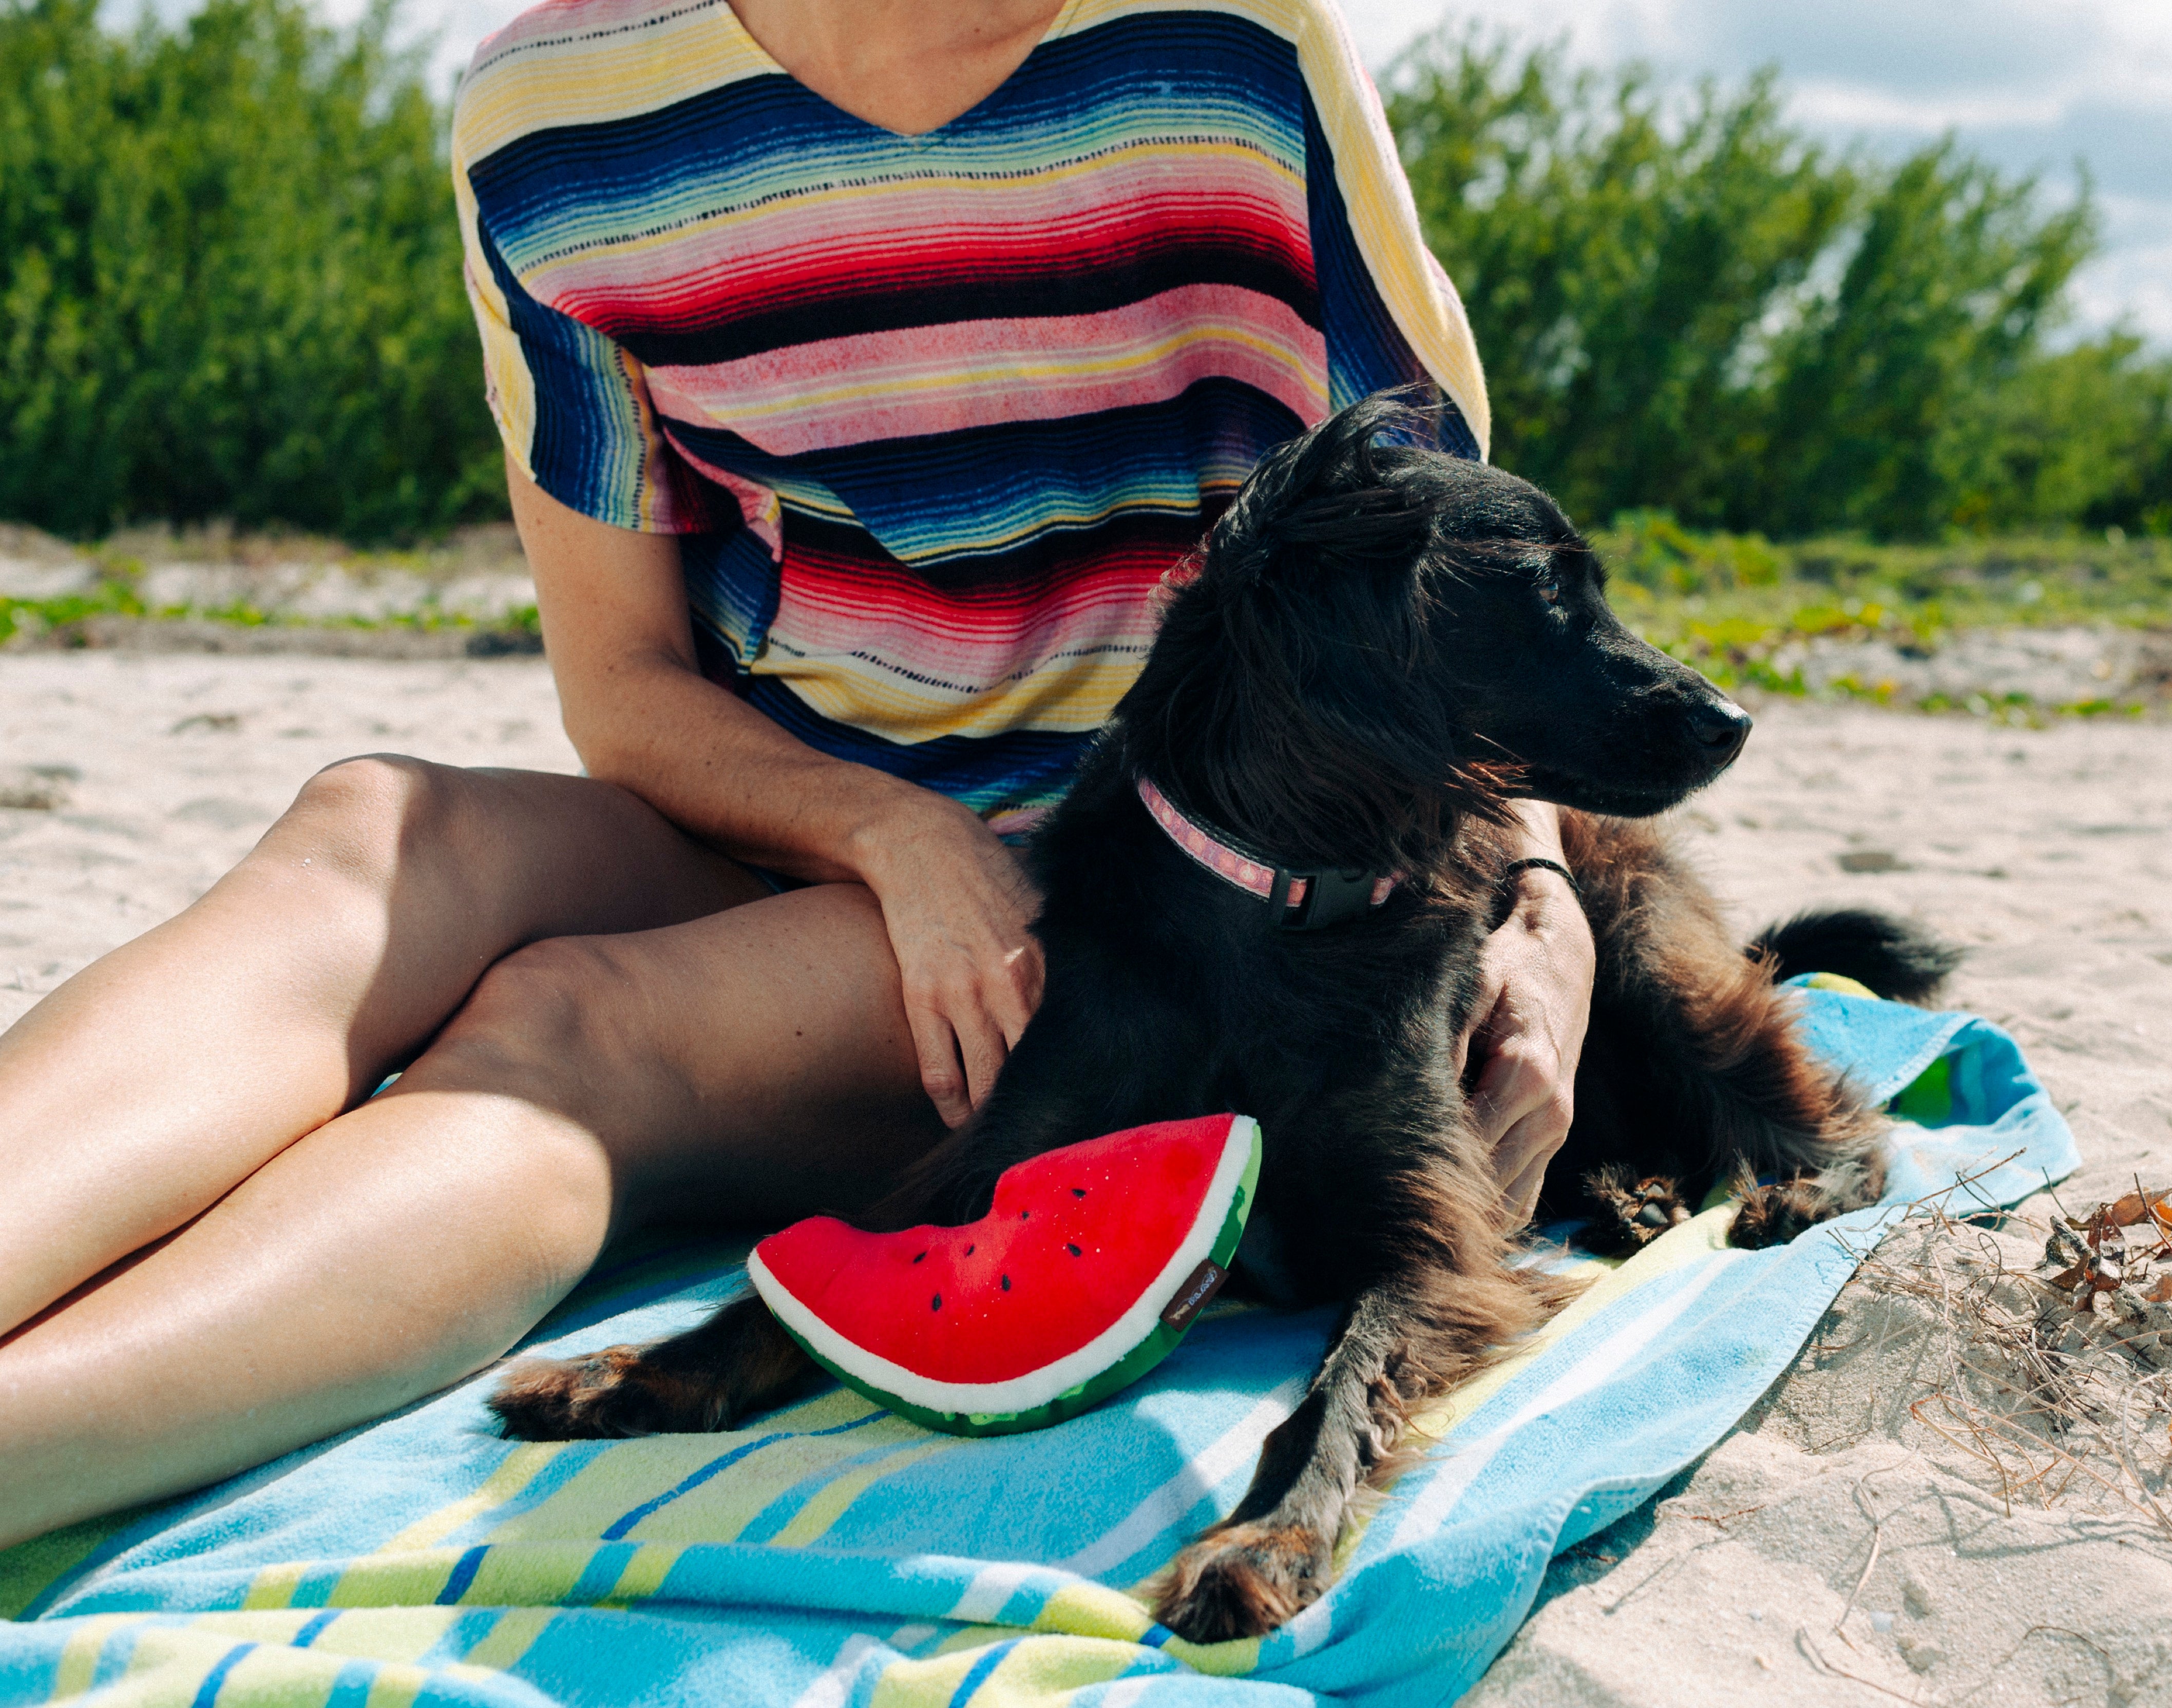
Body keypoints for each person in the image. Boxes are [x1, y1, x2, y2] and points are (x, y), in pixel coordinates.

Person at [0, 0, 1595, 1549]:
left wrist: (1537, 888)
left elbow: (1447, 580)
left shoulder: (1236, 48)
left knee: (564, 1023)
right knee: (374, 828)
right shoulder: (551, 114)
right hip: (810, 810)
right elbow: (622, 688)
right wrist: (889, 836)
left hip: (1153, 905)